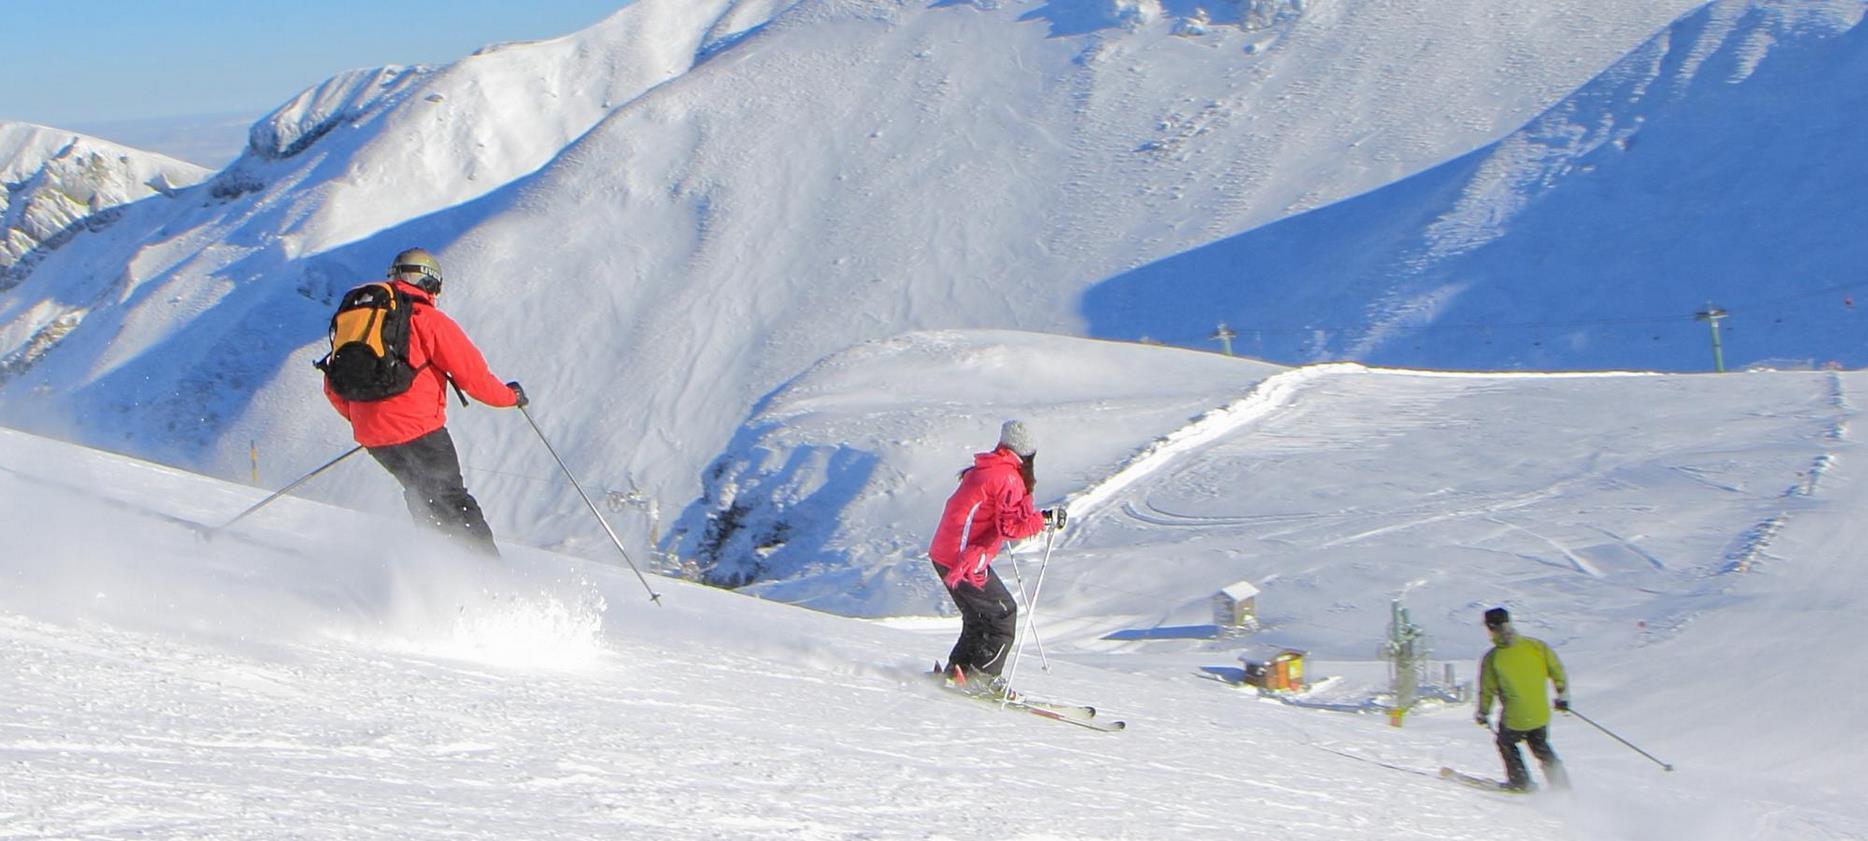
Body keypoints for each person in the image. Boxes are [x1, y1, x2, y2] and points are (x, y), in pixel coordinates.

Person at [323, 247, 525, 556]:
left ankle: (436, 566)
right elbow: (474, 379)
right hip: (418, 430)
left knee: (420, 494)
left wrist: (369, 419)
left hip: (373, 435)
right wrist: (511, 397)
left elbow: (333, 385)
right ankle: (489, 575)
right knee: (452, 497)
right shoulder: (426, 319)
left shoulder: (361, 320)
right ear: (430, 283)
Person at [927, 420, 1065, 696]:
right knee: (1003, 615)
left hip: (945, 553)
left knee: (979, 616)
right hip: (962, 559)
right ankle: (984, 679)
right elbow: (1011, 528)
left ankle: (960, 672)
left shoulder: (987, 468)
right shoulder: (1008, 478)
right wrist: (1044, 520)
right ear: (1028, 453)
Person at [1474, 607, 1571, 791]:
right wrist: (1562, 697)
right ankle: (1561, 786)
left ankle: (1520, 782)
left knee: (1505, 741)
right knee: (1540, 745)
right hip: (1540, 713)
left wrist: (1483, 713)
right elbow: (1557, 671)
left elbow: (1487, 690)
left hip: (1515, 717)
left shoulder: (1493, 658)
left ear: (1490, 627)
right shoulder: (1536, 646)